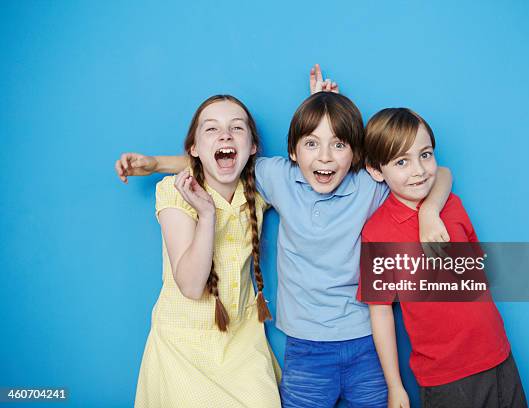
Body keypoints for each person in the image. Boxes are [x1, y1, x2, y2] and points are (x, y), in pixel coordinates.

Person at [116, 66, 453, 407]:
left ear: (357, 157)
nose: (324, 156)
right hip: (302, 348)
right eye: (310, 144)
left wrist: (429, 212)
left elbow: (437, 173)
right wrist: (158, 164)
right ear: (293, 151)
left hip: (363, 340)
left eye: (338, 144)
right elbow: (211, 161)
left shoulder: (367, 184)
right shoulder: (277, 178)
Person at [359, 107, 527, 407]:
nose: (419, 170)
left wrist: (431, 209)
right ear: (375, 170)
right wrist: (394, 385)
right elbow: (380, 311)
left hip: (499, 356)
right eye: (401, 161)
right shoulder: (377, 233)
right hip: (446, 379)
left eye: (425, 154)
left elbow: (478, 268)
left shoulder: (452, 204)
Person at [132, 94, 281, 408]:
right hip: (182, 345)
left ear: (253, 147)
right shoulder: (175, 191)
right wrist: (208, 214)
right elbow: (190, 285)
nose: (225, 135)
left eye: (237, 128)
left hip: (243, 342)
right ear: (194, 149)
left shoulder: (258, 190)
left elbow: (311, 163)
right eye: (211, 129)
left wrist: (323, 107)